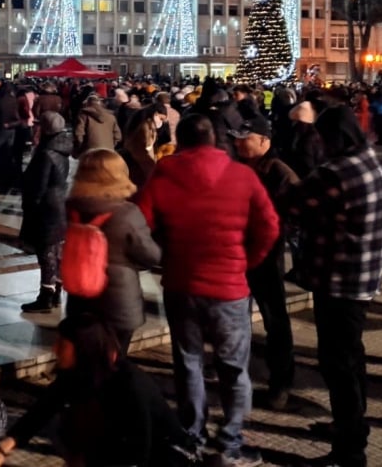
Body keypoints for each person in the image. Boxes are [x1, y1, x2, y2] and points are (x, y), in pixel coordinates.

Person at [136, 114, 279, 467]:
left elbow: (142, 222)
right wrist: (247, 261)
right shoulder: (242, 175)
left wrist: (165, 255)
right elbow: (270, 226)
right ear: (215, 140)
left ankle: (192, 437)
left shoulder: (165, 172)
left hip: (182, 283)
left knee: (188, 363)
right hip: (230, 287)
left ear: (181, 141)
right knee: (233, 367)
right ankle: (229, 443)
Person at [288, 105, 382, 467]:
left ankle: (350, 451)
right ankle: (353, 428)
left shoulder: (335, 172)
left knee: (338, 364)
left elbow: (292, 206)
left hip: (338, 278)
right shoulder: (370, 160)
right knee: (352, 357)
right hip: (363, 277)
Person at [0, 313, 200, 467]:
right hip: (111, 447)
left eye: (62, 345)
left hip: (161, 457)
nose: (54, 349)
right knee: (59, 423)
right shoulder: (79, 372)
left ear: (83, 349)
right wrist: (2, 449)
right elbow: (43, 408)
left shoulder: (130, 384)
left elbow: (138, 451)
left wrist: (87, 460)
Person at [229, 116, 299, 411]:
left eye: (246, 138)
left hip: (267, 254)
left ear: (264, 141)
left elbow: (293, 210)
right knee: (235, 316)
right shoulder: (238, 168)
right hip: (237, 252)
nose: (239, 143)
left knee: (274, 317)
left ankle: (281, 382)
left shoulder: (278, 172)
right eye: (237, 138)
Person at [64, 148, 162, 352]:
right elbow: (150, 255)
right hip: (118, 303)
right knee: (114, 363)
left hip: (79, 300)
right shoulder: (127, 213)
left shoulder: (71, 208)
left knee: (85, 360)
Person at [18, 112, 72, 313]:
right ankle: (56, 290)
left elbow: (38, 186)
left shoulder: (46, 153)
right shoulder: (61, 148)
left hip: (46, 207)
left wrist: (30, 206)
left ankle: (46, 296)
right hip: (58, 203)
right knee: (56, 251)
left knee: (46, 252)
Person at [72, 93, 121, 157]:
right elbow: (118, 136)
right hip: (109, 150)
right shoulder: (111, 116)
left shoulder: (83, 116)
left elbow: (78, 133)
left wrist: (81, 147)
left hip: (90, 151)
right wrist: (111, 145)